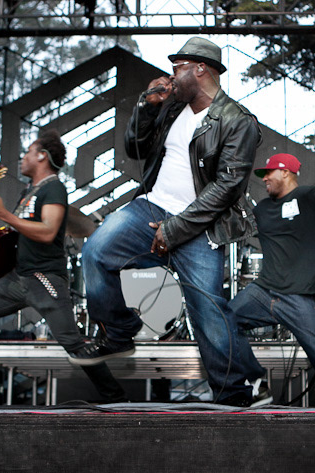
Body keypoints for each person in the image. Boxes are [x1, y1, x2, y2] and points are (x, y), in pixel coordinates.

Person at [76, 37, 267, 406]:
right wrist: (146, 107)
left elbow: (228, 187)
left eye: (178, 68)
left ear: (201, 69)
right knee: (96, 251)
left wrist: (176, 229)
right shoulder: (172, 109)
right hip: (152, 208)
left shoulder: (236, 120)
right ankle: (119, 333)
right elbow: (134, 148)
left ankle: (235, 393)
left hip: (199, 225)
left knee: (208, 310)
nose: (172, 75)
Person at [0, 129, 126, 407]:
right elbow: (19, 232)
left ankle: (116, 398)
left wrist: (4, 214)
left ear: (42, 156)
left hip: (44, 278)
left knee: (73, 344)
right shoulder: (27, 192)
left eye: (28, 151)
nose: (23, 157)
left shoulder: (54, 188)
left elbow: (48, 231)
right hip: (18, 278)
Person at [229, 153, 315, 404]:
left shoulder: (307, 196)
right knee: (225, 318)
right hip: (264, 291)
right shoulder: (262, 209)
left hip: (297, 295)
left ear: (286, 172)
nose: (265, 179)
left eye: (269, 173)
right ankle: (255, 381)